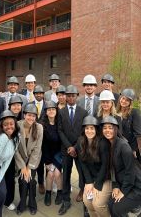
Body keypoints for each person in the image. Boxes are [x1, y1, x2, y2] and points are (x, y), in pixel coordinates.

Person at [101, 116, 141, 217]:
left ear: (116, 129)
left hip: (136, 187)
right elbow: (113, 169)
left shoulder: (123, 146)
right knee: (110, 205)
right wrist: (116, 186)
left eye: (110, 127)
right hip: (124, 183)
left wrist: (123, 191)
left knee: (116, 209)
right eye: (105, 128)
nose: (107, 130)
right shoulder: (109, 144)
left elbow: (131, 172)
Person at [58, 85, 88, 215]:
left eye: (73, 95)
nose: (70, 98)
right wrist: (69, 147)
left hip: (80, 148)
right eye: (68, 95)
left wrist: (75, 147)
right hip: (66, 149)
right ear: (65, 96)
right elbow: (60, 130)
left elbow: (84, 132)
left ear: (77, 96)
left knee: (83, 174)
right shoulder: (61, 112)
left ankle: (86, 201)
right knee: (66, 174)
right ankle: (66, 200)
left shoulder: (83, 112)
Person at [77, 115, 111, 217]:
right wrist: (89, 182)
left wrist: (97, 184)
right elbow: (82, 164)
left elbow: (105, 166)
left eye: (92, 128)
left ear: (96, 129)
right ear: (84, 130)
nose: (89, 131)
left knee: (98, 204)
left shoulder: (102, 143)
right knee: (87, 202)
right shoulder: (80, 141)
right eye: (87, 128)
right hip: (91, 177)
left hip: (104, 177)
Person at [15, 103, 43, 215]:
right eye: (29, 115)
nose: (31, 118)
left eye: (33, 116)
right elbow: (15, 148)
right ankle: (22, 204)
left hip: (33, 159)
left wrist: (29, 167)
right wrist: (22, 167)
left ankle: (32, 203)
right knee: (22, 181)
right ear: (24, 115)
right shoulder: (17, 125)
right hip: (20, 159)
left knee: (31, 181)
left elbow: (37, 149)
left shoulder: (39, 128)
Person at [3, 95, 23, 210]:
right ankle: (7, 200)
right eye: (14, 105)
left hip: (17, 152)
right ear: (9, 106)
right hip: (6, 153)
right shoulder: (5, 116)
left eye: (18, 105)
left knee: (12, 178)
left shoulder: (21, 117)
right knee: (7, 177)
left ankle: (9, 199)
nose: (16, 107)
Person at [41, 101, 62, 207]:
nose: (51, 111)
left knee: (57, 174)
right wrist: (48, 162)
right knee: (50, 173)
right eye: (49, 109)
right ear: (46, 112)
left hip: (59, 154)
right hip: (48, 155)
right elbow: (43, 146)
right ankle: (48, 194)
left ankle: (60, 193)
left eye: (53, 109)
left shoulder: (60, 123)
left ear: (56, 111)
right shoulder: (42, 125)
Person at [116, 88, 141, 163]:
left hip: (132, 148)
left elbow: (138, 133)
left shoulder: (134, 112)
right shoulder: (115, 113)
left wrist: (133, 149)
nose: (124, 101)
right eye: (123, 98)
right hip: (119, 148)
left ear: (130, 102)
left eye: (127, 100)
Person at [32, 85, 47, 194]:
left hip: (46, 139)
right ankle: (40, 183)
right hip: (33, 139)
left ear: (43, 94)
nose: (39, 95)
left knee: (47, 161)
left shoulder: (48, 105)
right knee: (38, 162)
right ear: (34, 94)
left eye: (41, 93)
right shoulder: (29, 105)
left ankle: (44, 182)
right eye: (37, 93)